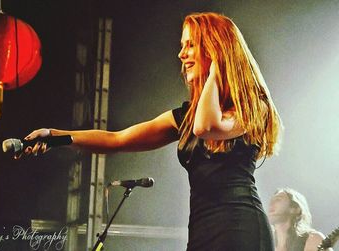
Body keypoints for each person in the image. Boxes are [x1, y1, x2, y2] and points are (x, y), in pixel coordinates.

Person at [24, 12, 283, 251]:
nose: (181, 54)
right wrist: (56, 136)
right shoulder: (185, 116)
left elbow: (205, 127)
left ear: (216, 47)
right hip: (202, 231)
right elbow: (117, 139)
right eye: (182, 46)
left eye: (191, 44)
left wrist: (218, 65)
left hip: (241, 227)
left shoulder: (253, 107)